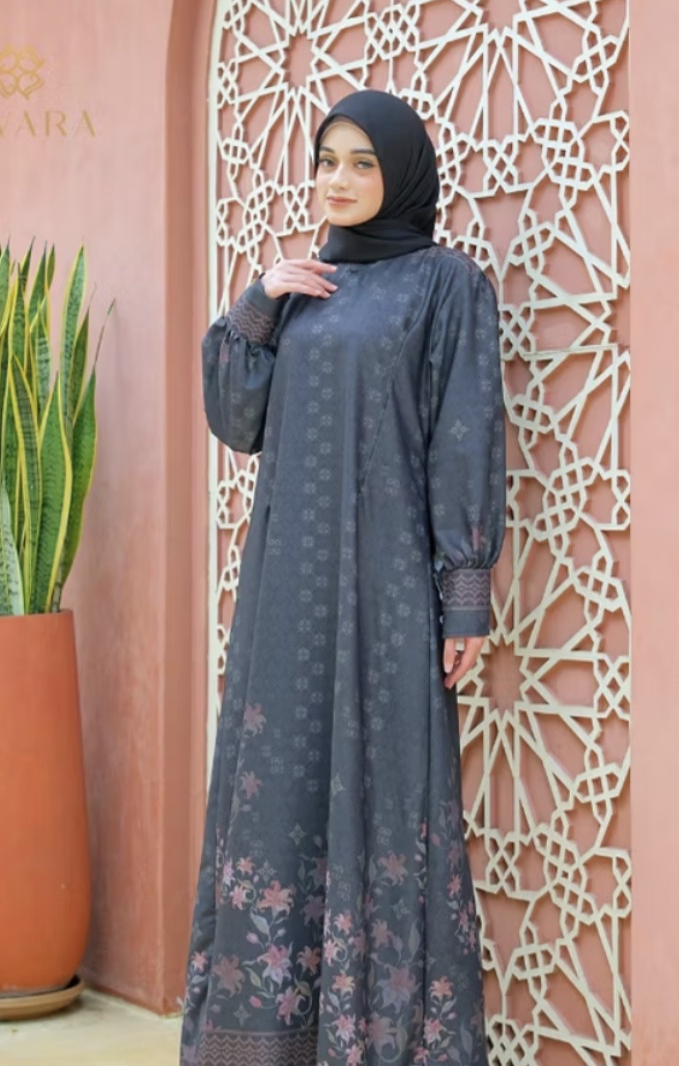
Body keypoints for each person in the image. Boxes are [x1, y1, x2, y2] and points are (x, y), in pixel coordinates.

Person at [181, 89, 506, 1066]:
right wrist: (258, 302)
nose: (339, 179)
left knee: (389, 790)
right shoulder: (303, 285)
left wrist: (465, 592)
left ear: (399, 174)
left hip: (388, 590)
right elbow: (238, 420)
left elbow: (464, 435)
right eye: (328, 160)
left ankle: (382, 1039)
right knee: (277, 787)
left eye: (363, 162)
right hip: (286, 590)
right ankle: (270, 1039)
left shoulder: (446, 284)